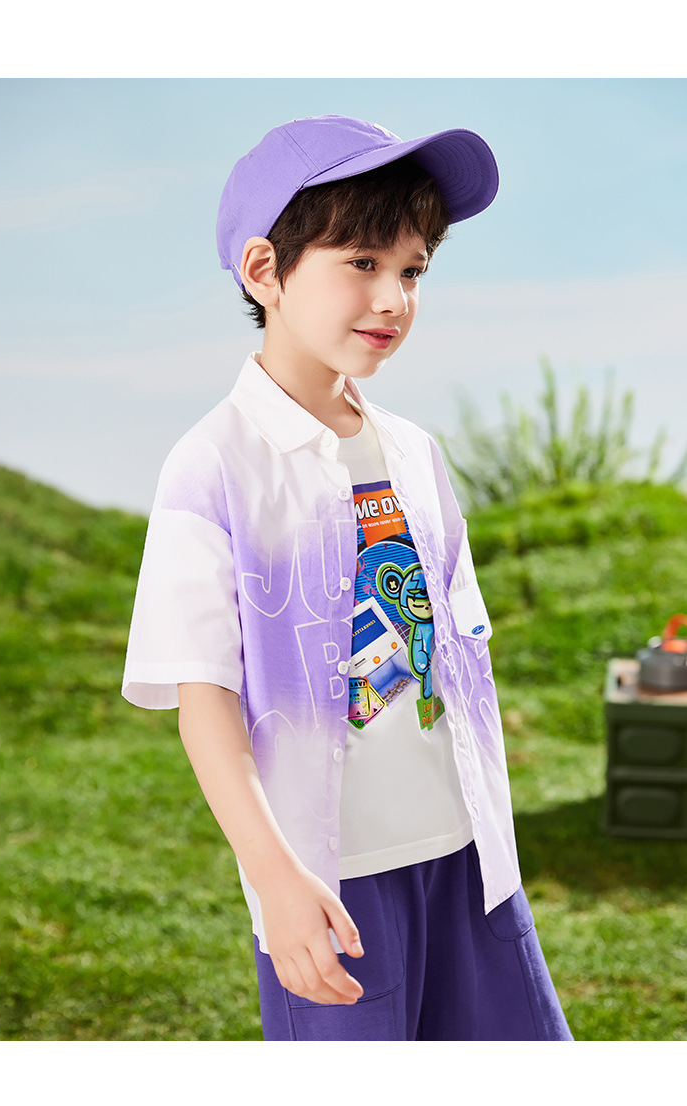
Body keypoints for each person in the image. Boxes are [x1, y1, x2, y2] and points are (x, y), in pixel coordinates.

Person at [122, 114, 573, 1041]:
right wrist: (276, 880)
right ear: (264, 270)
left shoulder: (414, 452)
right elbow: (205, 701)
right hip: (332, 881)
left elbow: (452, 652)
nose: (392, 298)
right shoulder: (213, 465)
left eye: (412, 270)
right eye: (362, 262)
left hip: (471, 862)